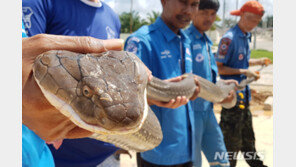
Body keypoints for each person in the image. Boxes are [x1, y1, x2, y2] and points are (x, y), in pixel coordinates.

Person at [22, 0, 122, 166]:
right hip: (60, 155)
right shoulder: (43, 3)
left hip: (107, 153)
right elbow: (28, 68)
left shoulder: (112, 17)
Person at [125, 0, 201, 166]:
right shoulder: (141, 41)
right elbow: (125, 97)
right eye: (183, 2)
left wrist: (190, 92)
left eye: (194, 4)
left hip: (186, 147)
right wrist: (153, 98)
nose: (188, 10)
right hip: (156, 152)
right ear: (164, 1)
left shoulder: (185, 40)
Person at [215, 1, 271, 167]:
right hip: (231, 101)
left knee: (248, 143)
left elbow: (241, 63)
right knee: (230, 147)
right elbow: (220, 69)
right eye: (250, 19)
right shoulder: (229, 39)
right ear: (241, 16)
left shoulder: (246, 37)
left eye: (257, 21)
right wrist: (245, 72)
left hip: (244, 99)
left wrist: (257, 62)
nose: (253, 24)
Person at [185, 0, 238, 166]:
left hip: (208, 112)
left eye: (212, 14)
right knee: (193, 162)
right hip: (190, 113)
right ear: (193, 12)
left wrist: (222, 84)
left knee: (221, 161)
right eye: (204, 13)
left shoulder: (207, 42)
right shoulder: (185, 40)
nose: (209, 18)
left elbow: (211, 77)